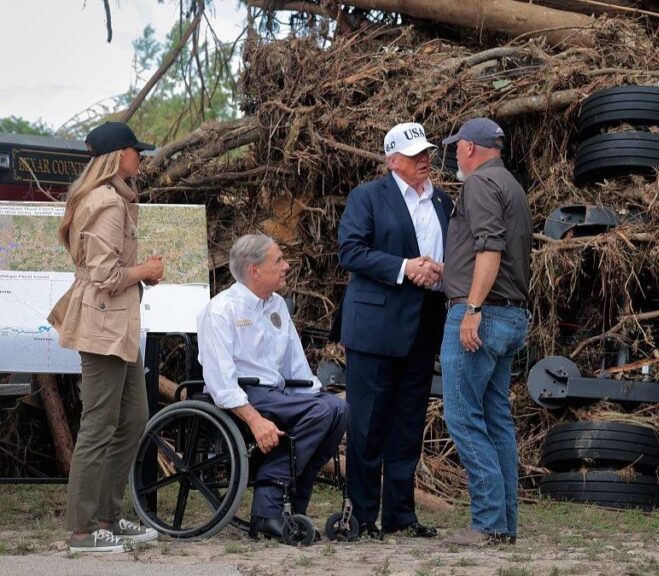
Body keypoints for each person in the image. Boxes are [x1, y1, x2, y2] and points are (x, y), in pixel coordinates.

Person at [48, 121, 164, 553]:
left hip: (119, 326)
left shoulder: (116, 199)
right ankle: (82, 531)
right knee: (98, 425)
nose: (141, 157)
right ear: (118, 156)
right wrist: (146, 272)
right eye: (136, 151)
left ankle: (106, 518)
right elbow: (105, 275)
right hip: (102, 326)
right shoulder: (106, 204)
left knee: (133, 419)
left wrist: (140, 276)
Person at [337, 122, 453, 539]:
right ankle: (364, 517)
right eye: (415, 153)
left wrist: (442, 273)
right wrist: (406, 267)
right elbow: (350, 250)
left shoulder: (442, 201)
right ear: (392, 161)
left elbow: (450, 253)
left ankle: (401, 516)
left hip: (423, 327)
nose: (425, 159)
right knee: (367, 426)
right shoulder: (368, 197)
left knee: (408, 424)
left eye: (427, 152)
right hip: (373, 329)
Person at [197, 233, 349, 539]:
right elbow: (220, 382)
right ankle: (267, 508)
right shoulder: (220, 310)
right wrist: (254, 420)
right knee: (320, 411)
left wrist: (319, 394)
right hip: (242, 397)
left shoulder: (276, 304)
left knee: (338, 409)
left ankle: (296, 506)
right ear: (254, 270)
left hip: (278, 394)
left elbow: (296, 366)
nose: (286, 266)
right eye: (277, 260)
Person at [439, 118, 531, 546]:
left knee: (462, 416)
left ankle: (488, 523)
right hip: (511, 317)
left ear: (471, 149)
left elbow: (490, 249)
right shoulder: (511, 185)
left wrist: (471, 307)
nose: (455, 154)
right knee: (497, 421)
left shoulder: (477, 185)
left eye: (457, 147)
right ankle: (505, 525)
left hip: (483, 315)